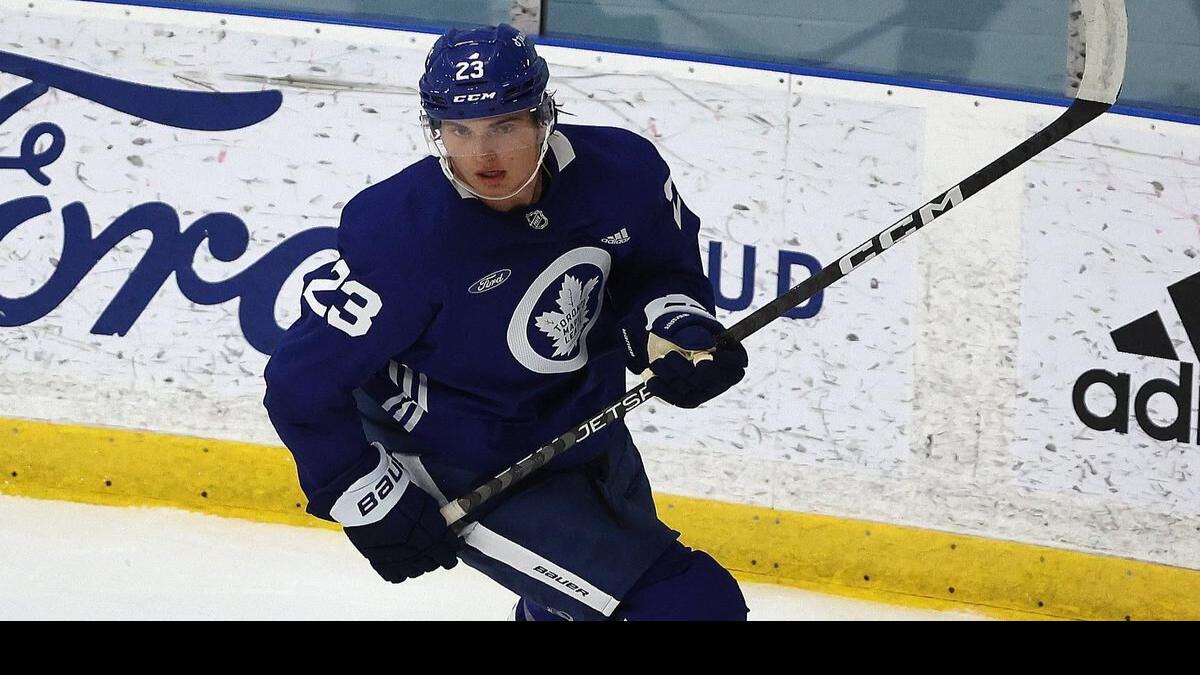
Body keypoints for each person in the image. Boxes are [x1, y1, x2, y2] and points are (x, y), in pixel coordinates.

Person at [263, 23, 750, 621]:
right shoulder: (403, 232)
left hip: (582, 419)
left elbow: (660, 272)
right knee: (687, 606)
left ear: (543, 115)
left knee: (573, 610)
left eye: (504, 125)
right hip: (453, 451)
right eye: (458, 131)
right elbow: (300, 382)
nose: (482, 155)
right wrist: (362, 492)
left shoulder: (623, 173)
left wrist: (677, 333)